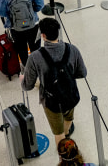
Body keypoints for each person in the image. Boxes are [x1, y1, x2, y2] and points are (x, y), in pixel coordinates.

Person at [22, 17, 87, 146]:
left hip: (52, 102)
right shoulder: (72, 49)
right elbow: (82, 73)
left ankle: (63, 155)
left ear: (43, 36)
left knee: (58, 134)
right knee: (69, 117)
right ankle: (67, 132)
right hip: (71, 95)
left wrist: (23, 79)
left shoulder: (35, 57)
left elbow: (27, 86)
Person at [0, 0, 42, 67]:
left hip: (16, 28)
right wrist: (31, 11)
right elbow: (40, 4)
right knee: (36, 50)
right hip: (33, 25)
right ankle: (38, 69)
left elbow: (2, 12)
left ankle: (27, 69)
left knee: (22, 51)